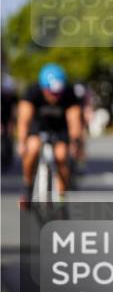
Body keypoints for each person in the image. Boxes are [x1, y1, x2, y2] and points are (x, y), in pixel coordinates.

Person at [17, 63, 83, 208]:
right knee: (32, 148)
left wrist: (75, 142)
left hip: (60, 128)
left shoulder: (69, 94)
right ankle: (27, 184)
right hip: (38, 126)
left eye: (58, 93)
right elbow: (24, 119)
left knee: (61, 156)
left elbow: (74, 120)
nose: (55, 97)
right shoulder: (32, 91)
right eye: (51, 93)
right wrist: (22, 141)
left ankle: (61, 196)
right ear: (43, 87)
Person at [1, 72, 18, 174]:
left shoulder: (13, 97)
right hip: (2, 118)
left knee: (9, 139)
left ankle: (9, 158)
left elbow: (15, 110)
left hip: (10, 119)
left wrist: (12, 124)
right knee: (3, 139)